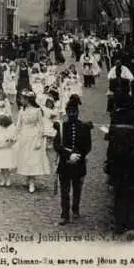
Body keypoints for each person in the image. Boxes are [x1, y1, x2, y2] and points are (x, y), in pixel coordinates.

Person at [53, 96, 92, 225]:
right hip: (64, 163)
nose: (72, 115)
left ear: (78, 112)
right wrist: (68, 155)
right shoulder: (62, 127)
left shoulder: (84, 127)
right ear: (66, 113)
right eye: (69, 112)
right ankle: (64, 214)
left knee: (77, 188)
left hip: (79, 164)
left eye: (74, 112)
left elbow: (88, 146)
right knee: (64, 190)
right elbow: (57, 145)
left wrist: (78, 155)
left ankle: (75, 209)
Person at [15, 90, 51, 193]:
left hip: (34, 136)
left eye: (22, 99)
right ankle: (27, 177)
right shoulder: (22, 110)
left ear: (28, 99)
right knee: (25, 157)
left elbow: (41, 125)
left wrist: (39, 139)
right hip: (24, 136)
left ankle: (32, 181)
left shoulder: (37, 110)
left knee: (33, 158)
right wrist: (14, 136)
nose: (21, 100)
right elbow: (18, 125)